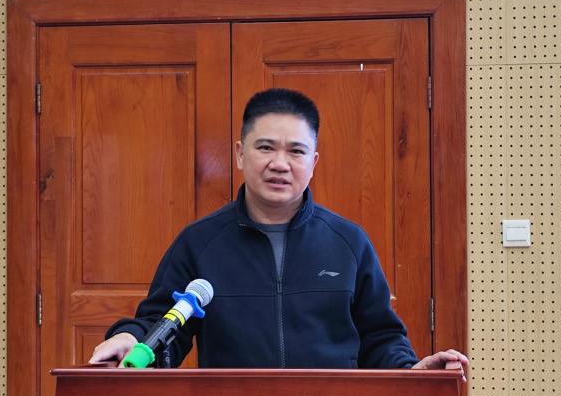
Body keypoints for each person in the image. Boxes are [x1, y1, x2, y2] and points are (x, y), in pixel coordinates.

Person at [89, 88, 468, 377]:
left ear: (313, 162)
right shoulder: (199, 243)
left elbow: (381, 338)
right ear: (240, 154)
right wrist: (129, 336)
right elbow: (162, 324)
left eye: (296, 152)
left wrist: (411, 371)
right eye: (266, 147)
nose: (280, 164)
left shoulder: (349, 243)